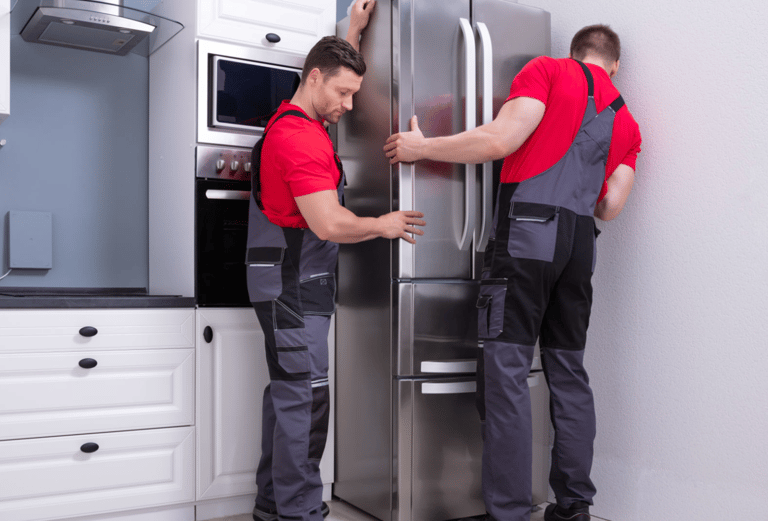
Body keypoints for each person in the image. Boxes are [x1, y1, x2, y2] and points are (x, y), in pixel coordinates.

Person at [384, 24, 641, 521]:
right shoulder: (627, 121)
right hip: (579, 245)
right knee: (568, 372)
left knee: (505, 372)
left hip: (528, 232)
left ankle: (509, 513)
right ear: (613, 66)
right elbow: (609, 205)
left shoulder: (547, 70)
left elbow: (501, 139)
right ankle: (573, 508)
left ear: (576, 53)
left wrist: (422, 148)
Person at [246, 2, 425, 521]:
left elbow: (336, 75)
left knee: (289, 397)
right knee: (305, 403)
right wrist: (385, 224)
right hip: (295, 289)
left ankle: (272, 508)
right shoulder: (298, 138)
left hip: (292, 285)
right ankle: (300, 513)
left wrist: (351, 32)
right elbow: (328, 224)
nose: (350, 104)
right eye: (344, 93)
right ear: (315, 78)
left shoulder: (301, 123)